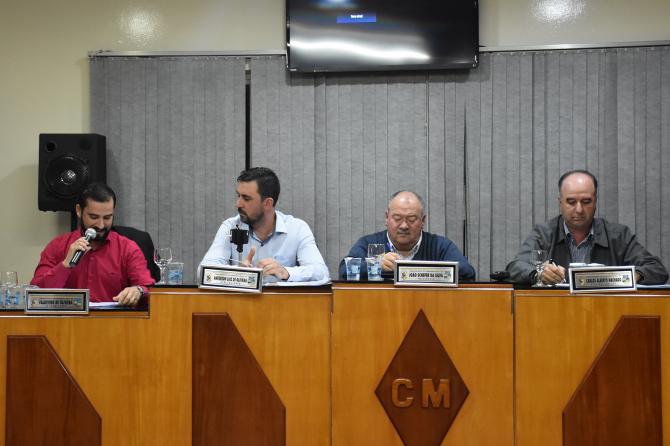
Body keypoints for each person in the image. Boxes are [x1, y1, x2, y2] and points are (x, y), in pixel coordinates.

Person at [506, 170, 669, 285]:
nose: (579, 209)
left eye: (586, 202)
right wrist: (539, 274)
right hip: (556, 311)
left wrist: (626, 277)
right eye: (571, 202)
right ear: (560, 203)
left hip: (606, 312)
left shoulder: (618, 235)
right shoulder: (544, 234)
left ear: (595, 202)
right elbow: (515, 266)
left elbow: (656, 269)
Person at [31, 182, 155, 305]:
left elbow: (147, 288)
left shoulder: (128, 248)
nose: (101, 225)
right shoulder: (57, 246)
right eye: (94, 217)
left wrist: (138, 290)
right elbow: (35, 294)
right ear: (79, 211)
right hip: (69, 317)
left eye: (107, 218)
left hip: (113, 317)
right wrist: (65, 265)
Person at [199, 167, 329, 282]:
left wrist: (285, 272)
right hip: (243, 301)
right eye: (238, 196)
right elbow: (203, 273)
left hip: (282, 302)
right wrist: (238, 275)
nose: (238, 204)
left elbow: (321, 273)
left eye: (246, 198)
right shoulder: (231, 227)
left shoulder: (297, 228)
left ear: (267, 203)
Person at [339, 191, 476, 280]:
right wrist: (376, 265)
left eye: (411, 219)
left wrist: (416, 272)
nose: (404, 226)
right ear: (387, 218)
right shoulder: (370, 243)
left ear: (423, 221)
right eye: (397, 218)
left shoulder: (439, 246)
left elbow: (468, 273)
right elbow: (344, 272)